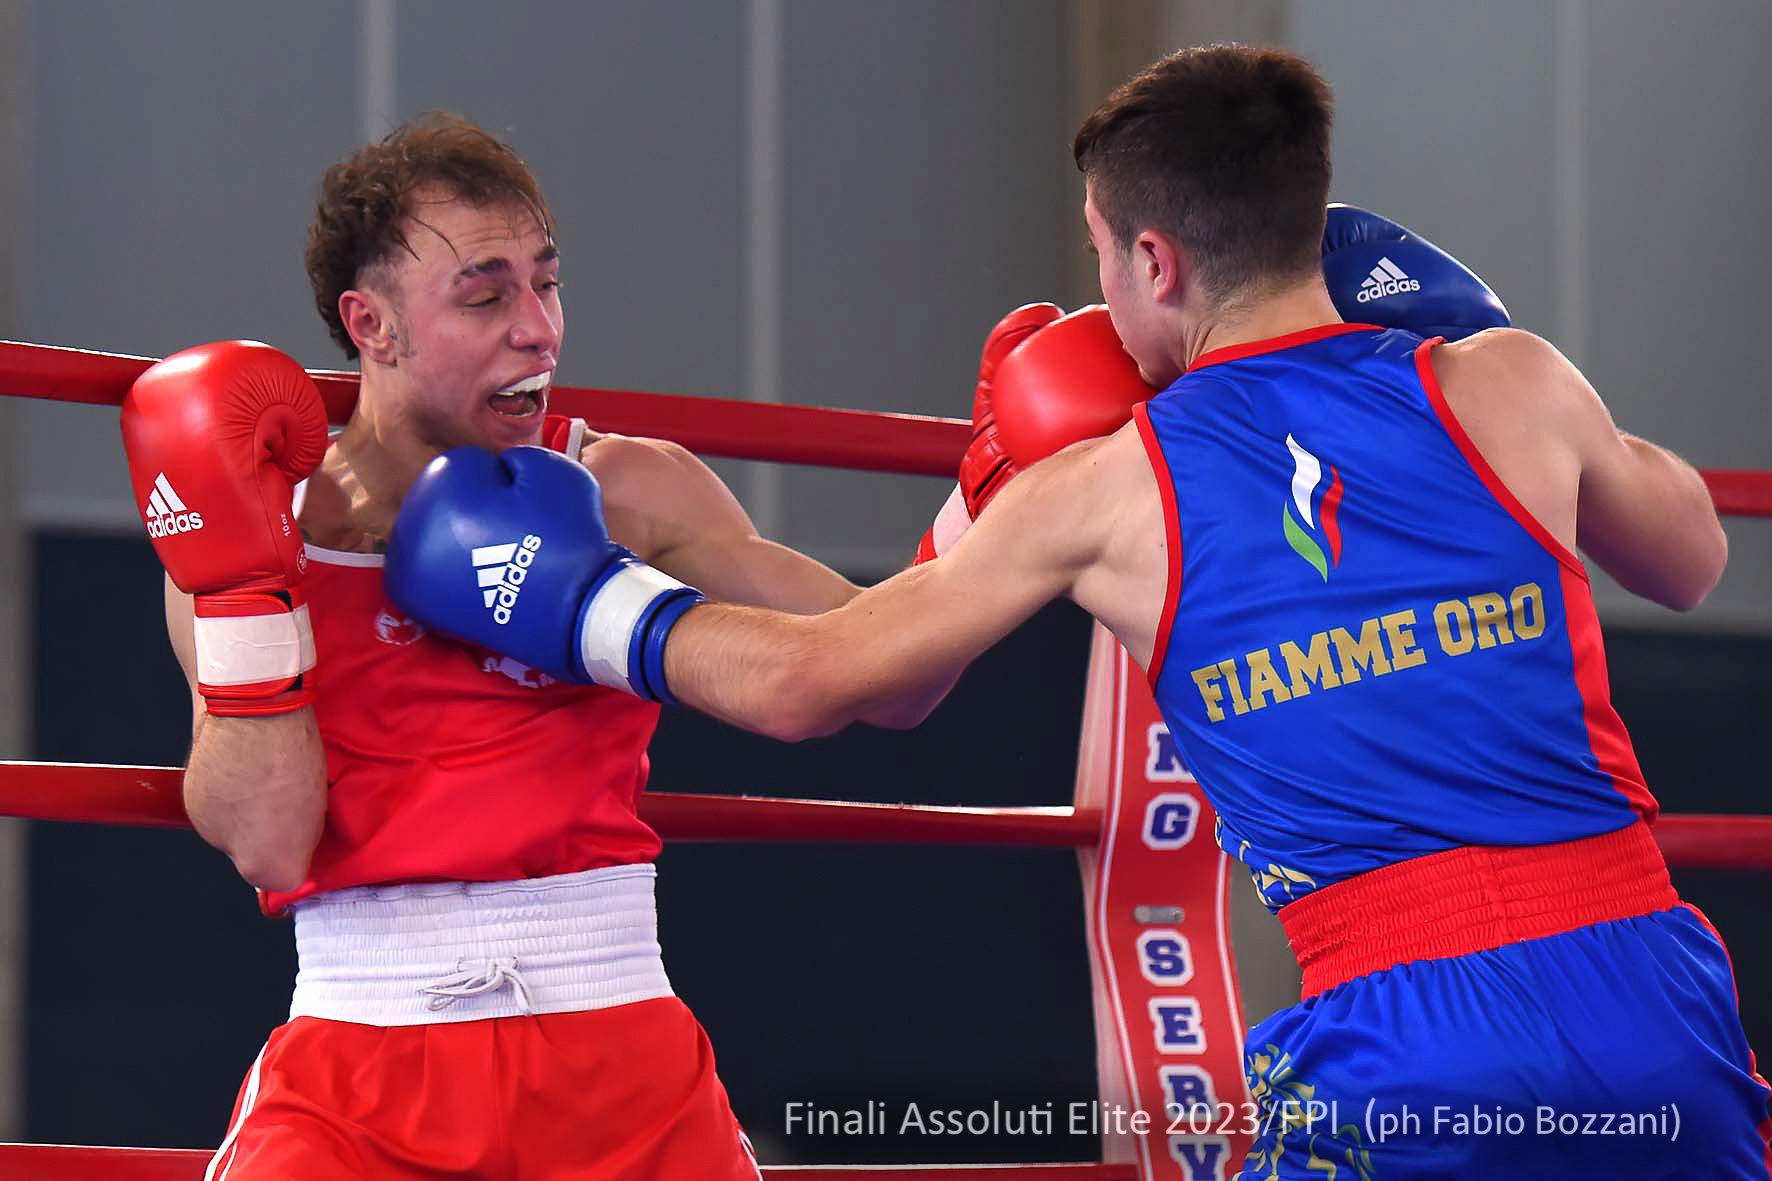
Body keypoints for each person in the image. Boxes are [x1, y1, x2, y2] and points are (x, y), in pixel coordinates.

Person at [382, 50, 1771, 1178]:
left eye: (1103, 256)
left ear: (1153, 260)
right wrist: (1464, 330)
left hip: (1397, 1033)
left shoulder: (1109, 490)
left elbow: (823, 679)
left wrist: (576, 599)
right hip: (1647, 985)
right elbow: (1690, 558)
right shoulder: (1510, 383)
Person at [118, 113, 900, 1180]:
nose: (539, 329)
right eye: (485, 297)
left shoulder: (625, 487)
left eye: (548, 283)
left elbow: (881, 673)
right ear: (372, 324)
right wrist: (254, 591)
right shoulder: (254, 535)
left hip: (618, 1048)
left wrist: (994, 522)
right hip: (358, 1063)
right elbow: (266, 844)